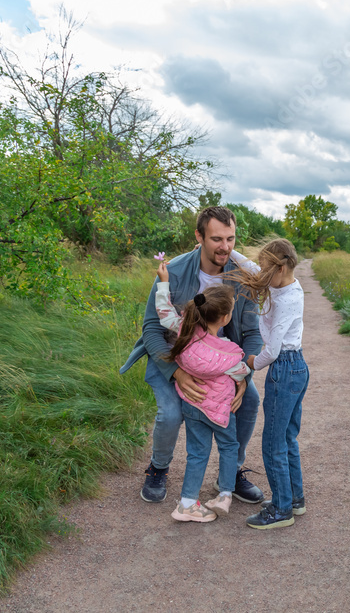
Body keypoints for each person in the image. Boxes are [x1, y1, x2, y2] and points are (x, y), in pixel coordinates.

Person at [120, 206, 264, 505]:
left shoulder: (243, 278)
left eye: (230, 239)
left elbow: (252, 335)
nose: (225, 247)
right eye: (216, 239)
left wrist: (243, 376)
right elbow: (151, 327)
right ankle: (158, 468)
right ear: (199, 236)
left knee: (249, 400)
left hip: (222, 364)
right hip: (175, 358)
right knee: (171, 413)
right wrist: (177, 373)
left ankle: (232, 472)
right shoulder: (173, 271)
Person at [227, 240, 308, 530]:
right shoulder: (282, 283)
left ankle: (281, 509)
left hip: (284, 368)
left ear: (281, 267)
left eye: (266, 268)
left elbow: (271, 351)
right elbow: (250, 267)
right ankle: (295, 499)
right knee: (287, 438)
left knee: (273, 443)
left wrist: (248, 363)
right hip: (295, 366)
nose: (261, 273)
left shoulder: (288, 299)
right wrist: (229, 250)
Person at [154, 273, 248, 522]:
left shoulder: (184, 331)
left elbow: (164, 313)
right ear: (225, 317)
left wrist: (163, 281)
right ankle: (225, 495)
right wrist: (244, 381)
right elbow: (242, 372)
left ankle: (186, 504)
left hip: (193, 404)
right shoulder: (229, 354)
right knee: (229, 447)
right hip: (221, 409)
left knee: (197, 453)